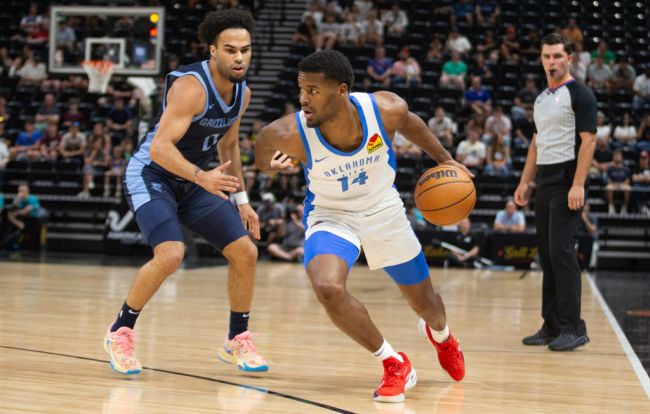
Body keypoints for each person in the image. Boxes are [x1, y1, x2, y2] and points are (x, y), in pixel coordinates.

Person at [254, 49, 468, 403]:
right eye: (301, 89)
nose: (303, 99)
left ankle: (442, 336)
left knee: (428, 305)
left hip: (384, 210)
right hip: (331, 214)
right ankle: (393, 362)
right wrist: (271, 167)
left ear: (341, 91)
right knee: (327, 286)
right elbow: (262, 151)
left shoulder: (385, 109)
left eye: (313, 90)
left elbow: (410, 123)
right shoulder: (288, 132)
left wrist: (446, 160)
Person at [104, 9, 268, 377]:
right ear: (213, 50)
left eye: (245, 50)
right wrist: (200, 176)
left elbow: (228, 146)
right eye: (230, 50)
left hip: (196, 180)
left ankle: (236, 339)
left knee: (245, 252)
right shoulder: (191, 87)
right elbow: (160, 148)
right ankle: (120, 332)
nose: (239, 57)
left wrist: (243, 202)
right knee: (171, 253)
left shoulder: (242, 93)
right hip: (153, 174)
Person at [514, 33, 597, 351]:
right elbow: (536, 144)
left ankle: (573, 327)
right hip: (545, 181)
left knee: (562, 252)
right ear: (541, 59)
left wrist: (578, 184)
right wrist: (525, 182)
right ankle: (551, 326)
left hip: (567, 179)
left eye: (558, 56)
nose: (552, 61)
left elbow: (589, 141)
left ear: (569, 59)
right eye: (547, 56)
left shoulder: (581, 94)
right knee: (547, 255)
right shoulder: (541, 99)